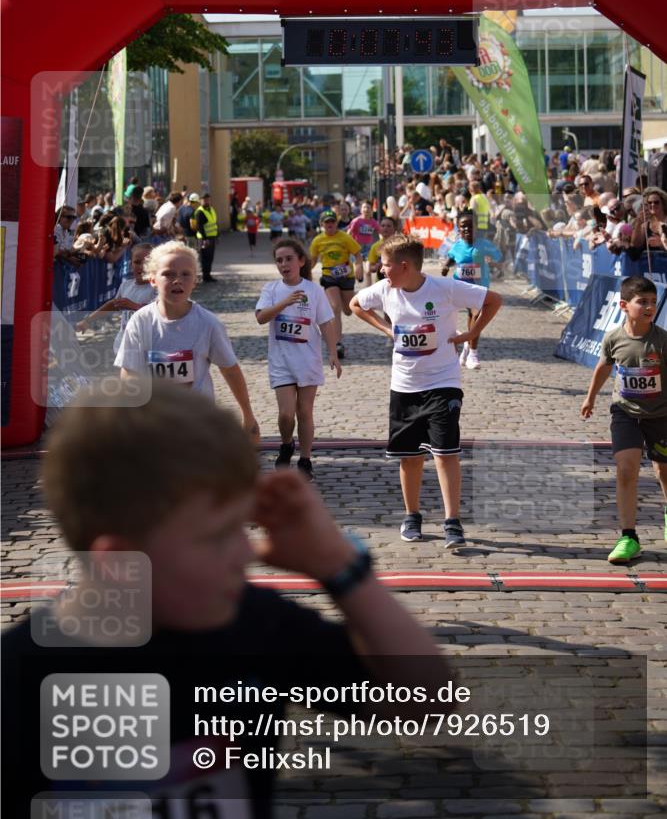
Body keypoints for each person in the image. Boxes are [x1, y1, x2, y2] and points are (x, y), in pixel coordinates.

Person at [2, 379, 448, 817]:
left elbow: (426, 701)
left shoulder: (254, 624)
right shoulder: (20, 684)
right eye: (216, 537)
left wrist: (340, 567)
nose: (246, 553)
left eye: (241, 526)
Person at [350, 234, 502, 548]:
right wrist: (386, 329)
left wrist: (471, 334)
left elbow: (493, 300)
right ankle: (412, 516)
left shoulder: (445, 288)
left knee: (446, 454)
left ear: (404, 266)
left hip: (443, 382)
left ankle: (452, 522)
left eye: (386, 264)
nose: (381, 270)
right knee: (410, 457)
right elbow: (355, 305)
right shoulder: (385, 290)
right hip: (404, 384)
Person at [116, 241, 259, 442]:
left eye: (185, 274)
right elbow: (130, 372)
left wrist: (248, 414)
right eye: (168, 274)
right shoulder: (140, 321)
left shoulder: (208, 323)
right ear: (153, 279)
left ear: (195, 281)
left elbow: (230, 370)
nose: (177, 280)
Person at [581, 276, 667, 564]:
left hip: (660, 415)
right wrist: (590, 397)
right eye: (642, 302)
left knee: (664, 471)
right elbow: (604, 367)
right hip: (625, 412)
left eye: (653, 302)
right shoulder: (613, 338)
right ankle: (629, 537)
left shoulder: (662, 340)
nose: (649, 307)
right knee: (626, 469)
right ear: (624, 305)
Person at [256, 238, 342, 479]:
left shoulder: (314, 290)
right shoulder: (271, 289)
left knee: (304, 412)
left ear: (301, 261)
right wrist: (284, 302)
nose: (284, 264)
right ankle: (286, 444)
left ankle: (305, 459)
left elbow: (326, 323)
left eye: (289, 259)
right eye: (279, 260)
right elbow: (261, 318)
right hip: (281, 361)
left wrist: (333, 353)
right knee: (286, 414)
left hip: (308, 360)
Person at [439, 213, 503, 370]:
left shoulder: (484, 244)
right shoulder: (457, 245)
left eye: (470, 226)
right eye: (463, 226)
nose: (467, 229)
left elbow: (499, 257)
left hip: (479, 286)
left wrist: (493, 261)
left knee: (475, 314)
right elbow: (452, 258)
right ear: (459, 229)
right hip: (459, 286)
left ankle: (473, 353)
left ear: (476, 228)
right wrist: (446, 266)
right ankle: (466, 343)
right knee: (458, 314)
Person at [76, 243, 155, 349]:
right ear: (130, 264)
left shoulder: (158, 288)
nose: (142, 266)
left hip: (147, 345)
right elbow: (113, 305)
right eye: (137, 262)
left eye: (147, 262)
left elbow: (159, 312)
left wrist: (134, 306)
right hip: (123, 344)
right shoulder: (126, 285)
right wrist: (87, 321)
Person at [310, 210, 363, 360]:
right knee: (334, 308)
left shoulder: (345, 237)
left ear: (336, 223)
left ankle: (352, 301)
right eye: (327, 222)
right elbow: (312, 260)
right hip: (329, 277)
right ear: (321, 224)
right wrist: (304, 274)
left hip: (346, 277)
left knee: (348, 310)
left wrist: (359, 267)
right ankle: (337, 344)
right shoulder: (317, 241)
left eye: (332, 221)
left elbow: (357, 254)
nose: (330, 224)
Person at [348, 201, 382, 285]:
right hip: (357, 249)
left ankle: (369, 289)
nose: (366, 209)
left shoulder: (373, 222)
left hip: (368, 248)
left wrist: (383, 242)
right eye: (364, 207)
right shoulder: (356, 221)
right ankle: (359, 275)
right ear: (361, 210)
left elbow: (380, 232)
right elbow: (348, 233)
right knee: (358, 273)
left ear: (371, 210)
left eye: (368, 208)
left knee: (368, 270)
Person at [195, 191, 219, 282]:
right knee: (205, 257)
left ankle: (208, 275)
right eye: (204, 200)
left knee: (210, 257)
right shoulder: (200, 212)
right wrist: (205, 239)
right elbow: (200, 226)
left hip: (212, 237)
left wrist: (217, 235)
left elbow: (214, 223)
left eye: (208, 200)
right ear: (200, 201)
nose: (206, 201)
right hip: (204, 238)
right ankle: (205, 276)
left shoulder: (211, 209)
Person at [368, 216, 399, 281]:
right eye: (383, 226)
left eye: (388, 226)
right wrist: (377, 266)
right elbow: (371, 268)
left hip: (398, 281)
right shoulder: (375, 246)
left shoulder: (400, 244)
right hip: (381, 281)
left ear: (395, 228)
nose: (385, 228)